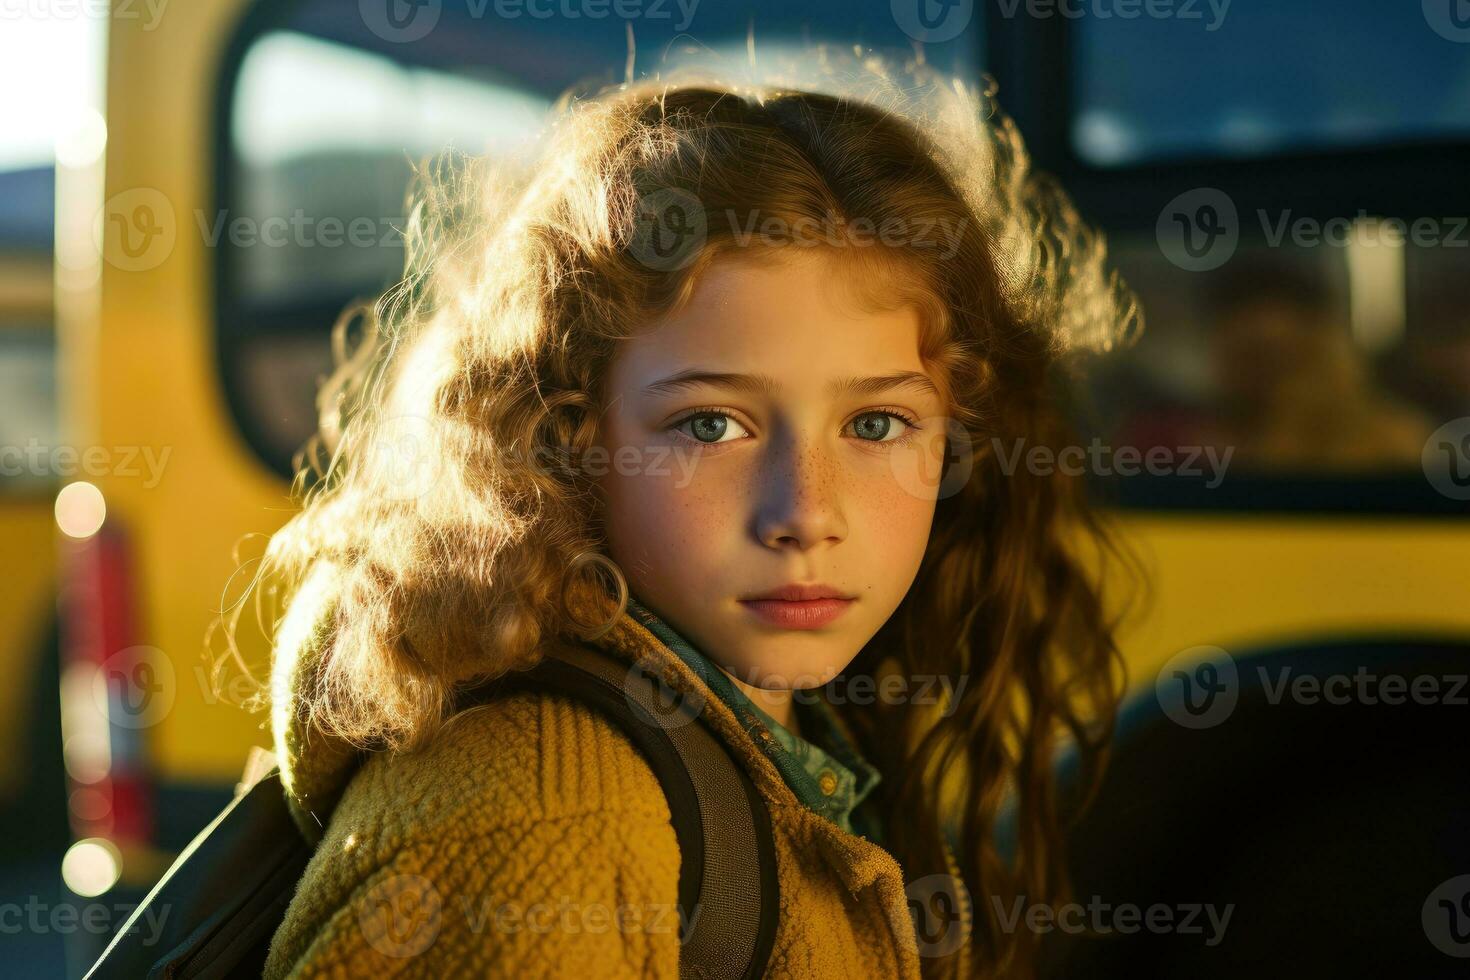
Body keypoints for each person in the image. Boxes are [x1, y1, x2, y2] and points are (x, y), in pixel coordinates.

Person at [237, 53, 1140, 979]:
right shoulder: (551, 822)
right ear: (567, 438)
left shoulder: (797, 744)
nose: (805, 514)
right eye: (711, 424)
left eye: (876, 422)